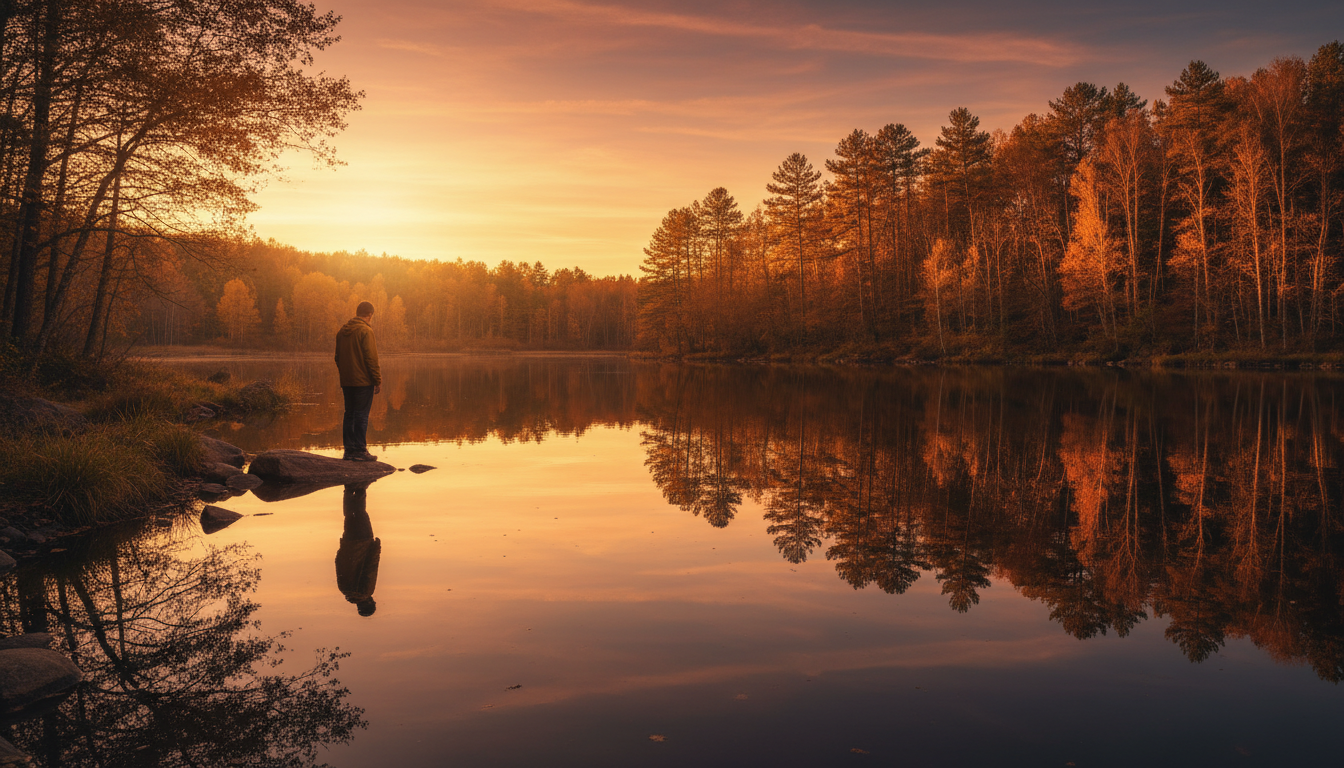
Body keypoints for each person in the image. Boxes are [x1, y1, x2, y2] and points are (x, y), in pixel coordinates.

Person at [335, 301, 381, 461]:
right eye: (371, 316)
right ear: (369, 315)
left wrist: (346, 374)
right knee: (361, 415)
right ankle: (360, 451)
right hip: (363, 381)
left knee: (349, 414)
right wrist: (377, 379)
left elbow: (337, 357)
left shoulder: (342, 331)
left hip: (347, 381)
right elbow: (371, 358)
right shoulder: (365, 331)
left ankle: (349, 451)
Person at [336, 483, 381, 616]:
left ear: (369, 603)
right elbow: (338, 564)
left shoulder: (366, 592)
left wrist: (376, 548)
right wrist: (342, 548)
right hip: (348, 543)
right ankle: (349, 490)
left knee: (361, 515)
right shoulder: (344, 589)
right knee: (350, 517)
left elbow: (370, 568)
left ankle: (360, 487)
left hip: (363, 543)